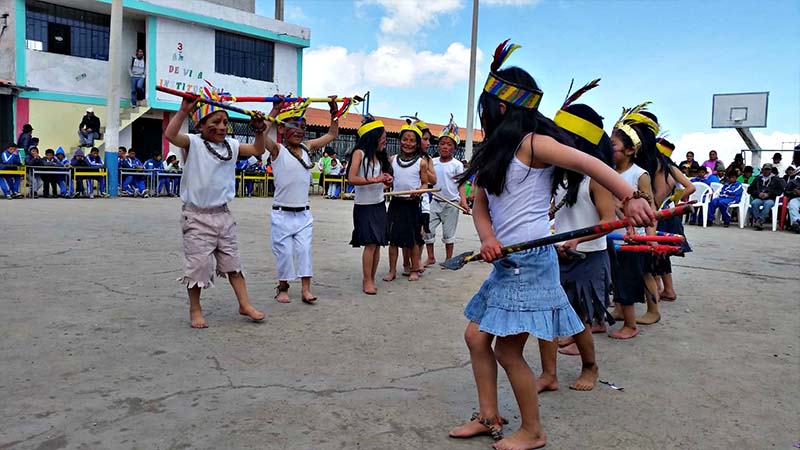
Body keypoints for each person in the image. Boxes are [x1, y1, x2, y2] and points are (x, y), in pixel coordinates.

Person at [448, 42, 654, 450]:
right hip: (506, 263)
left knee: (508, 351)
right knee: (476, 339)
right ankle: (489, 416)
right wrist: (488, 239)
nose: (484, 113)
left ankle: (533, 431)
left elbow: (589, 163)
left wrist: (628, 198)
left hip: (530, 264)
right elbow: (482, 205)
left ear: (501, 108)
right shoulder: (494, 152)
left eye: (487, 106)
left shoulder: (533, 144)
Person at [163, 84, 267, 328]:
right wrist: (183, 111)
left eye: (225, 122)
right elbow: (170, 135)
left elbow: (258, 149)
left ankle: (244, 304)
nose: (222, 127)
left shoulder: (231, 145)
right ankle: (195, 309)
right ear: (199, 126)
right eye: (215, 121)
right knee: (198, 268)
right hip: (197, 218)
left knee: (233, 264)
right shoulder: (193, 143)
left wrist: (260, 130)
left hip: (223, 216)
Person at [539, 90, 615, 393]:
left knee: (579, 319)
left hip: (588, 257)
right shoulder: (559, 175)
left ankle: (590, 367)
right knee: (547, 315)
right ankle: (549, 374)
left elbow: (607, 221)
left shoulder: (596, 177)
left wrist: (577, 240)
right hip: (557, 255)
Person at [263, 96, 339, 304]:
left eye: (302, 127)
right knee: (285, 253)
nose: (298, 130)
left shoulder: (307, 147)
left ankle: (306, 289)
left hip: (303, 214)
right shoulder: (277, 150)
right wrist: (275, 111)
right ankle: (283, 287)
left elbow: (333, 133)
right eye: (293, 126)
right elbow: (261, 133)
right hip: (281, 214)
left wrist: (334, 111)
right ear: (282, 130)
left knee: (304, 251)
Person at [347, 117, 393, 295]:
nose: (385, 140)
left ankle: (372, 278)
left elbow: (383, 181)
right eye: (383, 136)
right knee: (370, 244)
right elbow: (351, 178)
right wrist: (374, 179)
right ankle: (367, 280)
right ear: (373, 136)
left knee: (378, 243)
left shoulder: (380, 156)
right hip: (364, 206)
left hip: (379, 204)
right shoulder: (359, 153)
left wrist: (387, 180)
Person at [383, 121, 429, 282]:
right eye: (405, 139)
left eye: (412, 140)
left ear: (417, 144)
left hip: (412, 204)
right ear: (400, 140)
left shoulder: (421, 163)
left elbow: (425, 183)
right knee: (393, 240)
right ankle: (392, 271)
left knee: (413, 240)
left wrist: (418, 191)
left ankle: (414, 269)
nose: (408, 143)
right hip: (396, 203)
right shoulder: (392, 160)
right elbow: (388, 179)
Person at [423, 116, 470, 267]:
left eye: (448, 144)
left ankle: (448, 258)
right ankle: (430, 257)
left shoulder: (457, 165)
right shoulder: (432, 161)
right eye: (442, 143)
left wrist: (463, 201)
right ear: (438, 146)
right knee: (427, 230)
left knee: (449, 234)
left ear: (454, 148)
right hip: (435, 201)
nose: (444, 147)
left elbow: (461, 184)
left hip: (451, 204)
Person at [747, 163, 783, 230]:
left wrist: (769, 194)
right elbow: (750, 189)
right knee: (754, 203)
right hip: (759, 198)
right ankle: (759, 221)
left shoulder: (776, 179)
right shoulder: (757, 178)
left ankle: (759, 220)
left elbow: (779, 191)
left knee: (768, 204)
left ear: (771, 170)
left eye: (768, 169)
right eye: (765, 169)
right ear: (762, 170)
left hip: (770, 198)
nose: (766, 171)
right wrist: (758, 194)